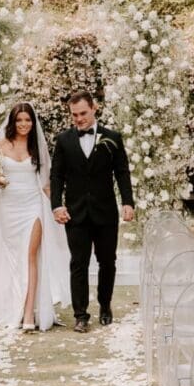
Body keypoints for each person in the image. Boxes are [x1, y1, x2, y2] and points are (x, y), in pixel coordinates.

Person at [0, 101, 70, 332]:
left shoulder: (37, 149)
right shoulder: (1, 145)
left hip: (33, 206)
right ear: (13, 122)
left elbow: (46, 183)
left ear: (33, 123)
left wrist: (57, 206)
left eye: (28, 120)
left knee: (30, 255)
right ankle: (11, 305)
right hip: (8, 207)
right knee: (10, 256)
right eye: (19, 120)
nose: (24, 124)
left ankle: (30, 311)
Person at [50, 89, 134, 332]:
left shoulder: (112, 137)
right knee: (78, 263)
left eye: (83, 113)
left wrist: (127, 202)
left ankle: (105, 306)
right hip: (75, 213)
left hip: (105, 211)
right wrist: (57, 205)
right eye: (74, 115)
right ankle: (80, 315)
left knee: (108, 261)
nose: (78, 119)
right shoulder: (64, 140)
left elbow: (122, 172)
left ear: (94, 108)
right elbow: (56, 176)